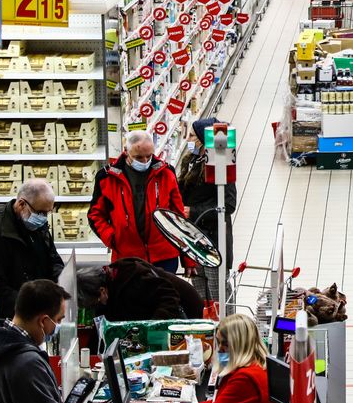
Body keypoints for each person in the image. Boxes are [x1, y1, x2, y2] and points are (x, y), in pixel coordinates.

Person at [126, 314, 287, 403]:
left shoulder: (246, 379)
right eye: (219, 343)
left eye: (226, 344)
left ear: (240, 345)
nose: (220, 350)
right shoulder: (257, 367)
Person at [89, 130, 188, 272]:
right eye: (139, 157)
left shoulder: (166, 173)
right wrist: (112, 238)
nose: (145, 161)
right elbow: (95, 215)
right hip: (127, 257)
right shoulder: (107, 177)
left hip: (164, 256)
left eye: (149, 156)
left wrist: (188, 259)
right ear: (125, 151)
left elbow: (179, 217)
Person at [0, 178, 64, 319]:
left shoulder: (36, 225)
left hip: (38, 313)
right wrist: (32, 305)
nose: (44, 218)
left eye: (48, 213)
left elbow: (52, 257)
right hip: (13, 317)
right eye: (41, 213)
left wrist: (61, 281)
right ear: (22, 204)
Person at [177, 117, 237, 300]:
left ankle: (226, 324)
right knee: (199, 293)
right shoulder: (191, 159)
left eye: (192, 135)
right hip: (193, 237)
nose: (188, 139)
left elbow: (228, 204)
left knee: (218, 290)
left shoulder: (220, 166)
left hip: (214, 238)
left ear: (204, 139)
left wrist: (192, 211)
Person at [77, 257, 203, 321]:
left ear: (102, 290)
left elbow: (169, 296)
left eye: (96, 301)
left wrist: (152, 328)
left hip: (186, 309)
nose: (98, 305)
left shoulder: (133, 279)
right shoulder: (110, 285)